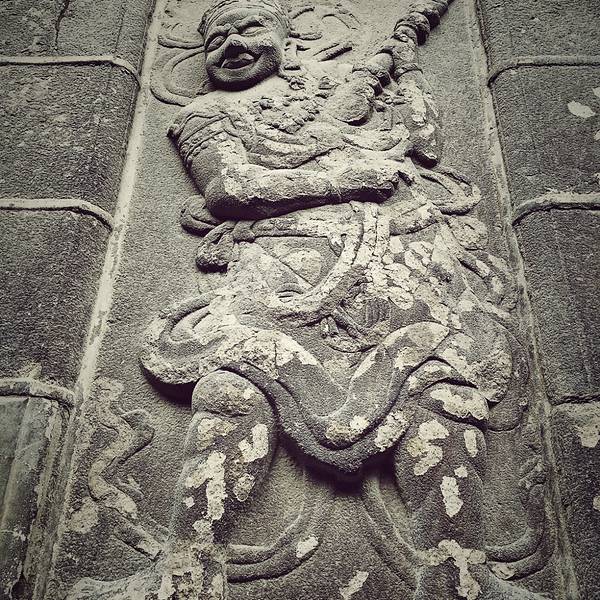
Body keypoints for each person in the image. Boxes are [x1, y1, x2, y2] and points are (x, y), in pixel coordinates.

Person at [72, 0, 547, 598]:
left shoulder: (339, 98)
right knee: (233, 391)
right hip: (279, 277)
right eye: (216, 39)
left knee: (442, 392)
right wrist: (346, 178)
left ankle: (457, 569)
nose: (232, 44)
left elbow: (423, 146)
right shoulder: (206, 114)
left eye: (249, 28)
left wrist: (404, 67)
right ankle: (186, 567)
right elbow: (230, 187)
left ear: (287, 39)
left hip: (390, 272)